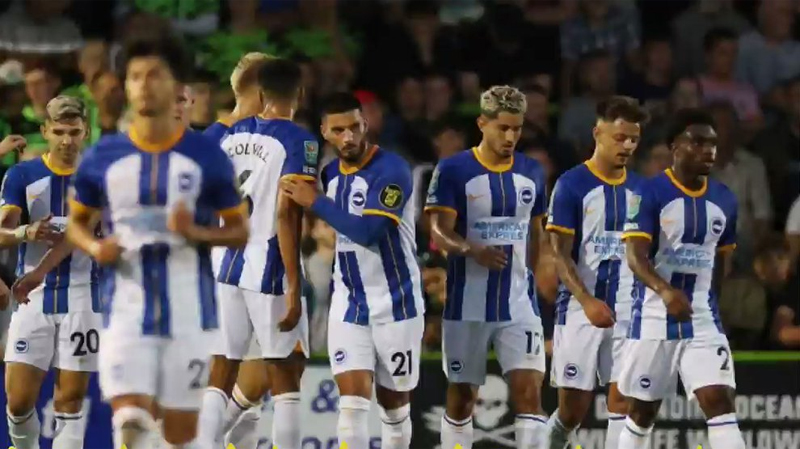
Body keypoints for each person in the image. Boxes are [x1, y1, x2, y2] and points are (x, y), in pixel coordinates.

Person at [66, 36, 249, 449]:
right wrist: (96, 248)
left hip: (189, 313)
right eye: (134, 77)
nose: (144, 84)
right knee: (130, 420)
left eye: (154, 75)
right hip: (124, 310)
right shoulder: (103, 157)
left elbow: (240, 231)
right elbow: (77, 223)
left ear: (175, 86)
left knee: (179, 437)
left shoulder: (206, 157)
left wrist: (196, 233)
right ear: (125, 87)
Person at [281, 92, 426, 449]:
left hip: (397, 303)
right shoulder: (330, 173)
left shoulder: (393, 170)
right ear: (325, 132)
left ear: (366, 125)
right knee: (352, 405)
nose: (348, 137)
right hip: (349, 303)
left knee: (394, 409)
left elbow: (369, 232)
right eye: (338, 129)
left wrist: (315, 202)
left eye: (354, 127)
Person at [198, 57, 316, 449]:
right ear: (299, 94)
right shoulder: (301, 141)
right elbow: (287, 211)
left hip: (223, 264)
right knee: (285, 374)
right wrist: (294, 287)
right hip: (269, 267)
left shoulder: (227, 136)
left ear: (260, 94)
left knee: (222, 367)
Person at [425, 85, 549, 449]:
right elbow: (437, 231)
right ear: (483, 123)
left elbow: (536, 231)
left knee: (529, 392)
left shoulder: (532, 171)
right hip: (467, 304)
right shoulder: (453, 169)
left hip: (518, 304)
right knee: (463, 396)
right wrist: (470, 249)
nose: (511, 136)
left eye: (517, 129)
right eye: (503, 128)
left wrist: (533, 275)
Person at [619, 108, 745, 449]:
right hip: (653, 317)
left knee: (719, 402)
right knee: (643, 411)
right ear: (675, 145)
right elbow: (635, 256)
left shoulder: (725, 199)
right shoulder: (648, 193)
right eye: (699, 142)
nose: (709, 151)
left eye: (714, 144)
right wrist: (666, 291)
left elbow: (721, 261)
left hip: (702, 319)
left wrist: (713, 309)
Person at [544, 96, 648, 449]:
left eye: (634, 138)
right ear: (597, 133)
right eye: (620, 137)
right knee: (573, 411)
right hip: (579, 310)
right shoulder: (571, 185)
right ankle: (552, 439)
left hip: (627, 312)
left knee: (623, 402)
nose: (628, 146)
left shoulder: (641, 190)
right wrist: (587, 301)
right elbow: (558, 253)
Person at [0, 96, 98, 449]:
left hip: (85, 295)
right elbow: (1, 232)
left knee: (70, 402)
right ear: (45, 131)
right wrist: (24, 232)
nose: (67, 140)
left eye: (74, 132)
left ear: (86, 131)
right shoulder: (23, 175)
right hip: (33, 298)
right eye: (58, 131)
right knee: (18, 401)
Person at [200, 51, 274, 449]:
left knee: (267, 370)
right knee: (227, 367)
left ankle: (211, 435)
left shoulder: (211, 138)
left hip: (260, 264)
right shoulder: (214, 140)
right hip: (233, 264)